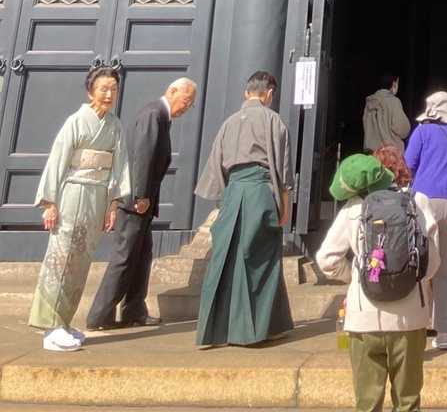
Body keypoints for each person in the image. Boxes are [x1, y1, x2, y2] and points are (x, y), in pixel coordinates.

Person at [316, 153, 441, 412]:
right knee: (408, 402)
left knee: (367, 404)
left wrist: (356, 275)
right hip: (410, 319)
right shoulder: (418, 202)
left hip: (364, 319)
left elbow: (326, 259)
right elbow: (433, 263)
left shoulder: (354, 207)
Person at [29, 67, 131, 352]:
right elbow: (58, 160)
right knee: (62, 257)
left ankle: (63, 321)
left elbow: (120, 166)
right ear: (90, 92)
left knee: (81, 260)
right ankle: (50, 326)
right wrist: (50, 203)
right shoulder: (75, 121)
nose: (109, 94)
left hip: (97, 196)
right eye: (103, 89)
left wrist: (113, 204)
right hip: (72, 192)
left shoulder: (115, 126)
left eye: (113, 89)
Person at [87, 78, 198, 331]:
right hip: (136, 202)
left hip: (144, 201)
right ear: (172, 91)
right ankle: (99, 315)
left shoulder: (160, 116)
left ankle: (134, 310)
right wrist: (141, 196)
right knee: (125, 257)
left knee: (142, 255)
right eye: (186, 101)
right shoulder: (153, 114)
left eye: (191, 104)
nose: (187, 107)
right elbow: (142, 157)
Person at [194, 70, 293, 347]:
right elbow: (284, 171)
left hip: (233, 191)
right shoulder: (273, 120)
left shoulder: (228, 123)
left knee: (225, 259)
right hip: (260, 191)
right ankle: (256, 330)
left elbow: (216, 165)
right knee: (260, 260)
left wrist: (225, 198)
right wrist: (285, 206)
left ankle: (217, 330)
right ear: (269, 94)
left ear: (246, 92)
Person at [404, 91, 447, 350]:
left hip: (424, 200)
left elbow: (408, 165)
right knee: (444, 267)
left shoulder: (421, 132)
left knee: (419, 263)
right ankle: (443, 333)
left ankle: (416, 327)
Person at [363, 74, 410, 153]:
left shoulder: (370, 102)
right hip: (389, 155)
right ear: (394, 84)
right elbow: (403, 130)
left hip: (371, 153)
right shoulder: (393, 101)